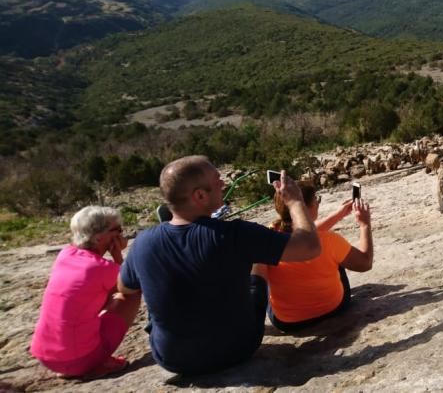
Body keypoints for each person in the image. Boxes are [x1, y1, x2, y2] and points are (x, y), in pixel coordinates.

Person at [118, 156, 321, 375]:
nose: (223, 185)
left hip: (173, 359)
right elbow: (309, 247)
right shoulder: (235, 234)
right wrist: (295, 202)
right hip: (238, 349)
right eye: (217, 181)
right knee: (257, 262)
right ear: (200, 195)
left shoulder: (142, 243)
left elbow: (125, 288)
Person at [31, 206, 141, 378]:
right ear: (98, 237)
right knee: (132, 294)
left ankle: (75, 361)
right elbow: (130, 284)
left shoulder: (66, 254)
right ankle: (95, 364)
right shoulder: (101, 268)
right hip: (78, 360)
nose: (121, 233)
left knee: (95, 298)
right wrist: (118, 256)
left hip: (45, 357)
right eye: (117, 230)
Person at [265, 182, 373, 332]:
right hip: (334, 308)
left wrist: (340, 214)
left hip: (288, 322)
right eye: (316, 199)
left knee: (266, 276)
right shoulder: (329, 240)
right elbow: (365, 263)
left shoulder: (267, 239)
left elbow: (304, 235)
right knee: (337, 259)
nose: (318, 202)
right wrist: (365, 225)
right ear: (305, 208)